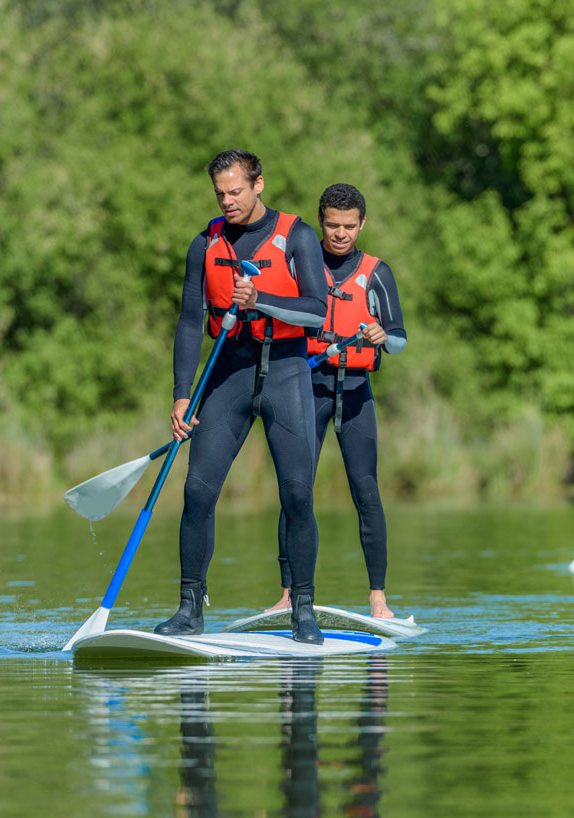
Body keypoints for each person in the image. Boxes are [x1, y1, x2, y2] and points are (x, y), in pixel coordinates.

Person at [155, 149, 328, 644]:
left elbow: (317, 311)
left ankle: (304, 610)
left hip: (287, 373)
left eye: (236, 191)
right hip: (227, 374)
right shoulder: (203, 243)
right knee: (197, 492)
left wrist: (262, 300)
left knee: (297, 493)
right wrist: (182, 395)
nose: (228, 201)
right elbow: (190, 323)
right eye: (220, 194)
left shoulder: (295, 236)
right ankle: (189, 609)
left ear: (258, 186)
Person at [266, 183, 407, 618]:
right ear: (321, 222)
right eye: (332, 225)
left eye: (349, 226)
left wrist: (384, 338)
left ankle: (378, 599)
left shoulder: (377, 272)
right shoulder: (301, 263)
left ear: (361, 224)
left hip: (355, 393)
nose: (340, 234)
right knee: (296, 489)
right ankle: (289, 593)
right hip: (307, 389)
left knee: (366, 491)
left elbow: (400, 338)